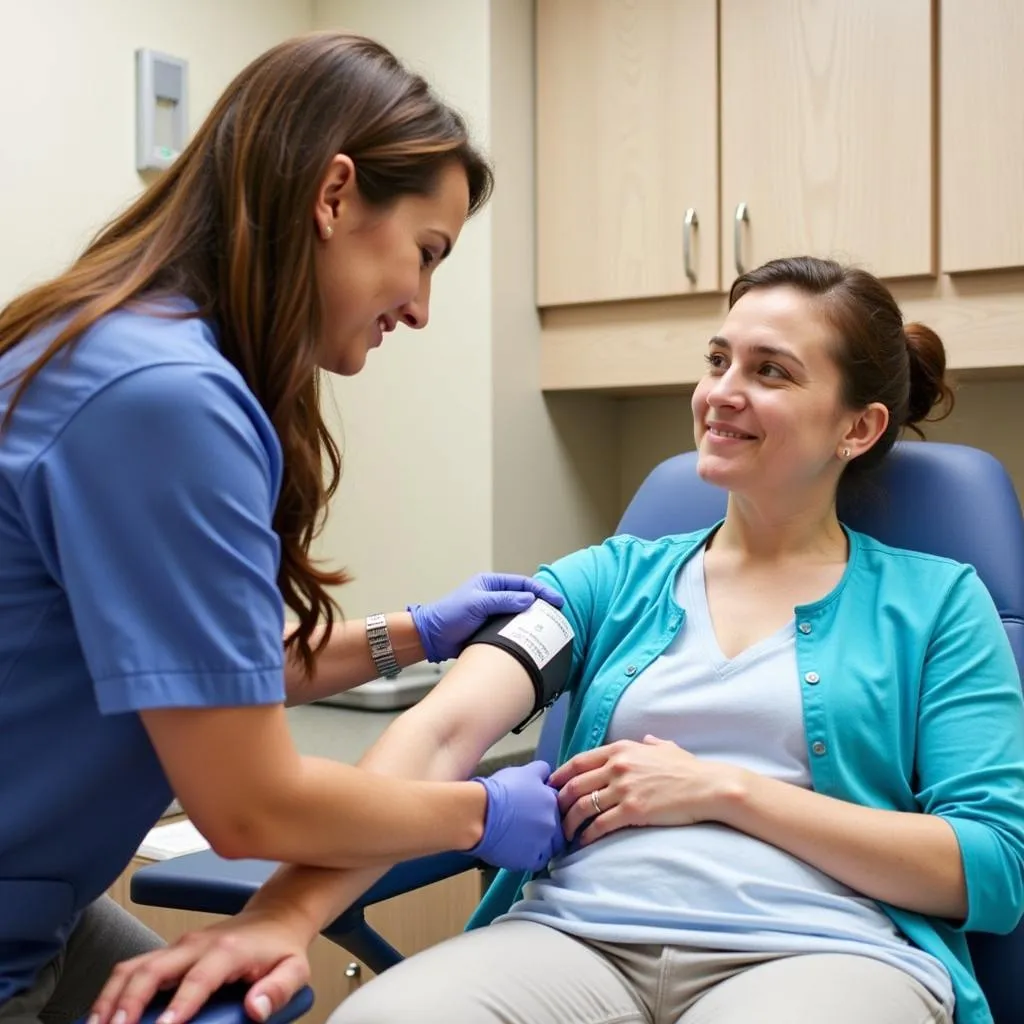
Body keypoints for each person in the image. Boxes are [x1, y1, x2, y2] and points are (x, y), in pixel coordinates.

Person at [89, 256, 1024, 1024]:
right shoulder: (607, 579)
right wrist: (285, 918)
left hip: (821, 952)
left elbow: (991, 866)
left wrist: (724, 791)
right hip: (576, 937)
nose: (720, 394)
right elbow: (444, 735)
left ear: (856, 428)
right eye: (716, 361)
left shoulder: (940, 605)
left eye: (770, 372)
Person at [0, 31, 570, 1024]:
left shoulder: (118, 347)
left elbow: (195, 663)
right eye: (425, 254)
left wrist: (410, 635)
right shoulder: (165, 399)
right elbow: (249, 803)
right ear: (335, 194)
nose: (425, 307)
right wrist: (487, 811)